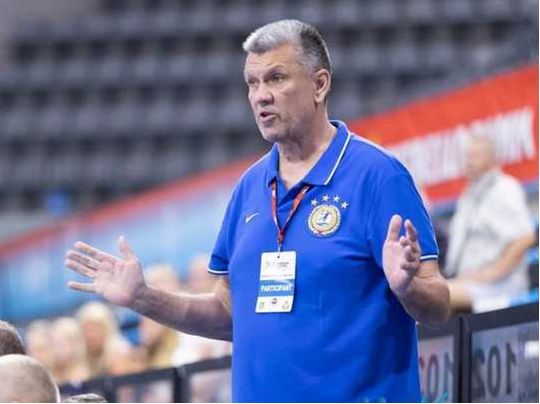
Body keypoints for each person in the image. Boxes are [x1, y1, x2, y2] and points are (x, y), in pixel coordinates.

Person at [65, 20, 449, 402]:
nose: (261, 96)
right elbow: (228, 312)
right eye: (252, 83)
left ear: (319, 85)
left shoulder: (379, 175)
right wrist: (143, 298)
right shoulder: (249, 188)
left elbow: (439, 306)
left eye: (276, 78)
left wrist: (407, 288)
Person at [445, 135, 535, 312]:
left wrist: (492, 273)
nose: (469, 161)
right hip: (467, 282)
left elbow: (525, 238)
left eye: (476, 155)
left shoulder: (505, 188)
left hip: (500, 285)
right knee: (424, 294)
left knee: (436, 298)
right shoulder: (469, 194)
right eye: (468, 156)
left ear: (492, 158)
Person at [49, 317, 90, 385]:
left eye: (62, 344)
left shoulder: (81, 375)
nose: (58, 350)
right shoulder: (52, 370)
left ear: (75, 344)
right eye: (55, 344)